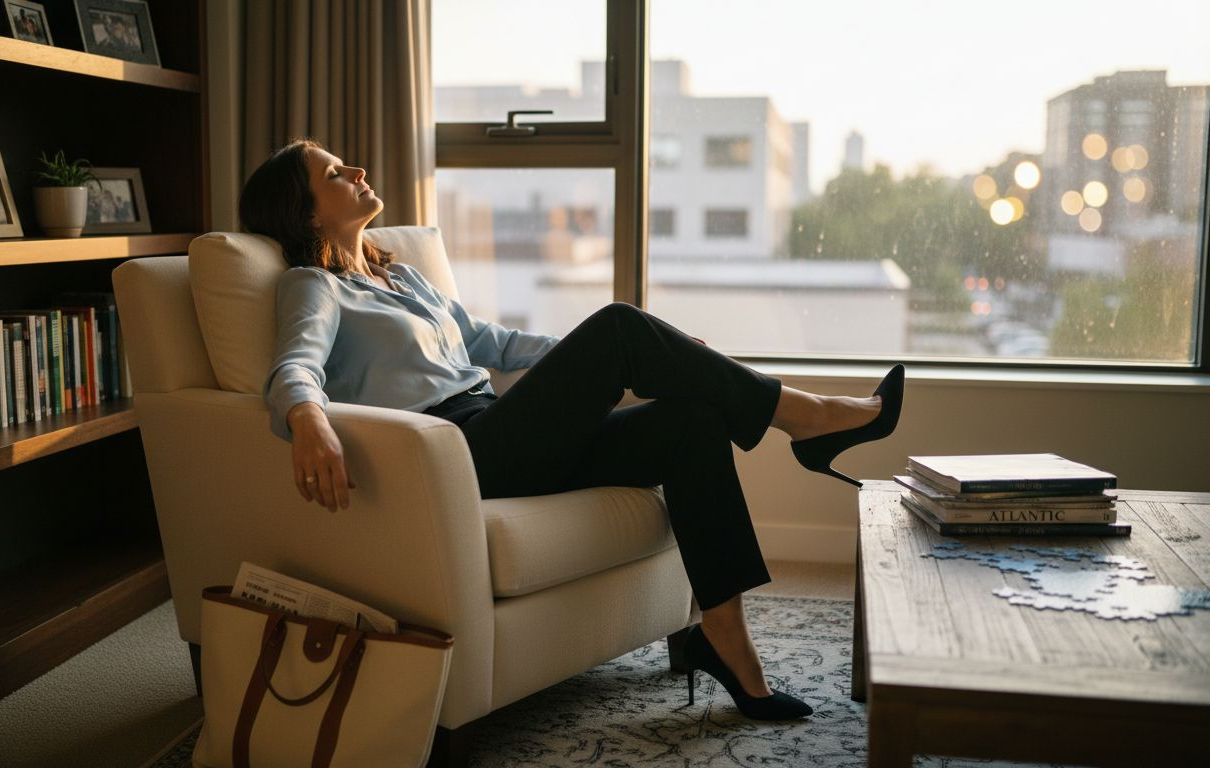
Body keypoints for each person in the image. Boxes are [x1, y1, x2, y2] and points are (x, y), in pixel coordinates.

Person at [240, 138, 905, 722]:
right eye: (334, 173)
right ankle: (808, 418)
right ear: (306, 213)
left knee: (693, 417)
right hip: (462, 455)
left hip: (505, 434)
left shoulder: (402, 276)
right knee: (621, 326)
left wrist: (657, 352)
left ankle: (724, 637)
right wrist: (308, 420)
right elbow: (293, 365)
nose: (355, 169)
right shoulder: (313, 286)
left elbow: (492, 343)